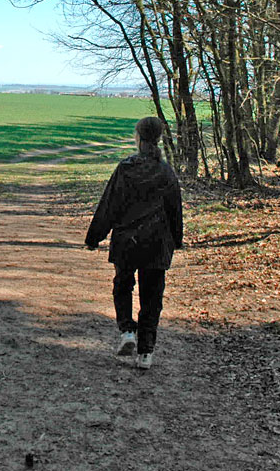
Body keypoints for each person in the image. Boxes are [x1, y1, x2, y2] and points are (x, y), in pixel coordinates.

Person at [85, 116, 183, 370]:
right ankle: (146, 352)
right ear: (159, 138)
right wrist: (177, 238)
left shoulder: (126, 168)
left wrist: (95, 236)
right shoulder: (166, 172)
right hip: (158, 242)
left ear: (138, 138)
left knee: (123, 286)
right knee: (152, 296)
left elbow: (109, 205)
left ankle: (127, 330)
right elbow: (175, 209)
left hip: (127, 240)